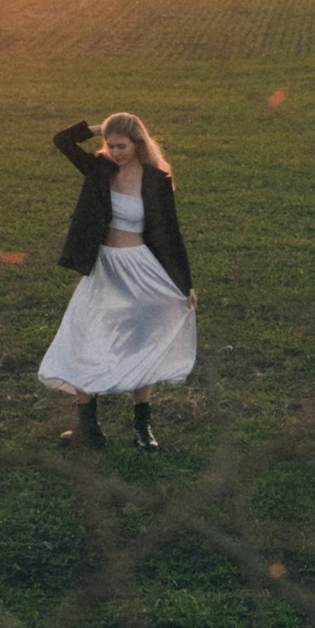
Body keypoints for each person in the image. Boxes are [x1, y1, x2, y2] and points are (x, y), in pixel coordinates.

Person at [38, 110, 195, 451]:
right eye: (110, 145)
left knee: (142, 340)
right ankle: (88, 429)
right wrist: (100, 128)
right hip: (103, 269)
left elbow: (170, 233)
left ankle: (142, 426)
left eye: (122, 146)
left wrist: (185, 284)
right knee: (83, 337)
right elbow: (62, 140)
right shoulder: (100, 169)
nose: (115, 152)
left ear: (138, 143)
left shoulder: (156, 179)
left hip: (139, 270)